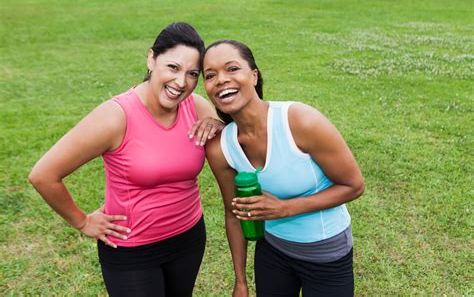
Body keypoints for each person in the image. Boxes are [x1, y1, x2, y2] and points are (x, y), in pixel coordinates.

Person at [28, 22, 223, 296]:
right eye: (173, 67)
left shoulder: (197, 107)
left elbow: (237, 153)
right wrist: (83, 222)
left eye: (192, 74)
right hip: (133, 250)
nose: (181, 83)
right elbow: (43, 175)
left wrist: (219, 126)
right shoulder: (116, 116)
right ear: (152, 58)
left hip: (188, 237)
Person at [203, 40, 365, 297]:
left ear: (254, 76)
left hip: (326, 255)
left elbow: (354, 185)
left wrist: (285, 208)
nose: (221, 79)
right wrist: (241, 282)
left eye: (232, 69)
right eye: (210, 75)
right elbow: (234, 214)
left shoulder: (300, 121)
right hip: (273, 252)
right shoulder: (220, 148)